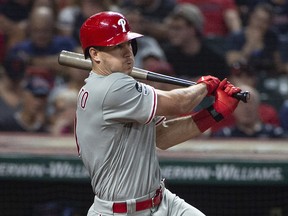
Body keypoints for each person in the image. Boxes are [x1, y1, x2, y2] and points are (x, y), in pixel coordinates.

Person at [75, 11, 242, 216]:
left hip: (161, 200)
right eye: (117, 46)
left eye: (128, 44)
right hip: (120, 212)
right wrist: (204, 86)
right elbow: (179, 104)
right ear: (95, 54)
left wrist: (215, 112)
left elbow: (162, 137)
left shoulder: (116, 86)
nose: (128, 52)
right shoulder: (112, 87)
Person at [162, 3, 230, 81]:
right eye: (170, 28)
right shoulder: (167, 54)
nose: (172, 33)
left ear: (193, 29)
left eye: (177, 28)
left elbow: (225, 85)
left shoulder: (214, 56)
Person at [212, 85, 284, 138]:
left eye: (250, 103)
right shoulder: (224, 135)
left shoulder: (275, 134)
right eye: (240, 104)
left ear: (258, 106)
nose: (246, 108)